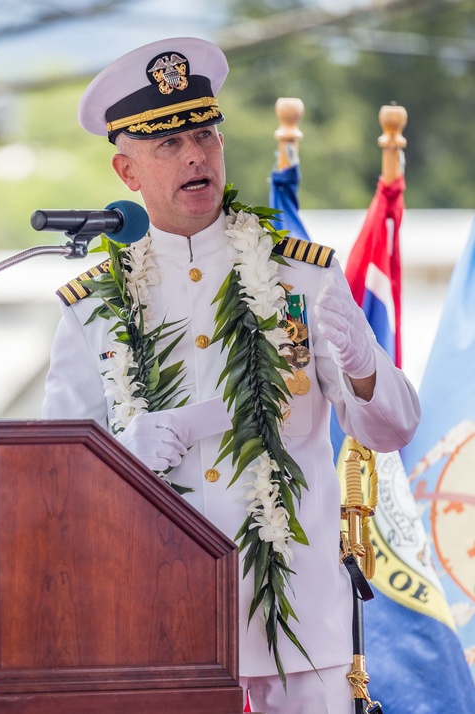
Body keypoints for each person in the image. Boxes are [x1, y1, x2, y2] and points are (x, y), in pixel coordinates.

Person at [42, 37, 421, 714]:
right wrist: (119, 460)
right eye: (169, 145)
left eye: (204, 136)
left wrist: (366, 371)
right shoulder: (92, 307)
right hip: (160, 621)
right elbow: (53, 489)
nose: (195, 155)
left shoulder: (302, 274)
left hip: (300, 626)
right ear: (127, 173)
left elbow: (393, 430)